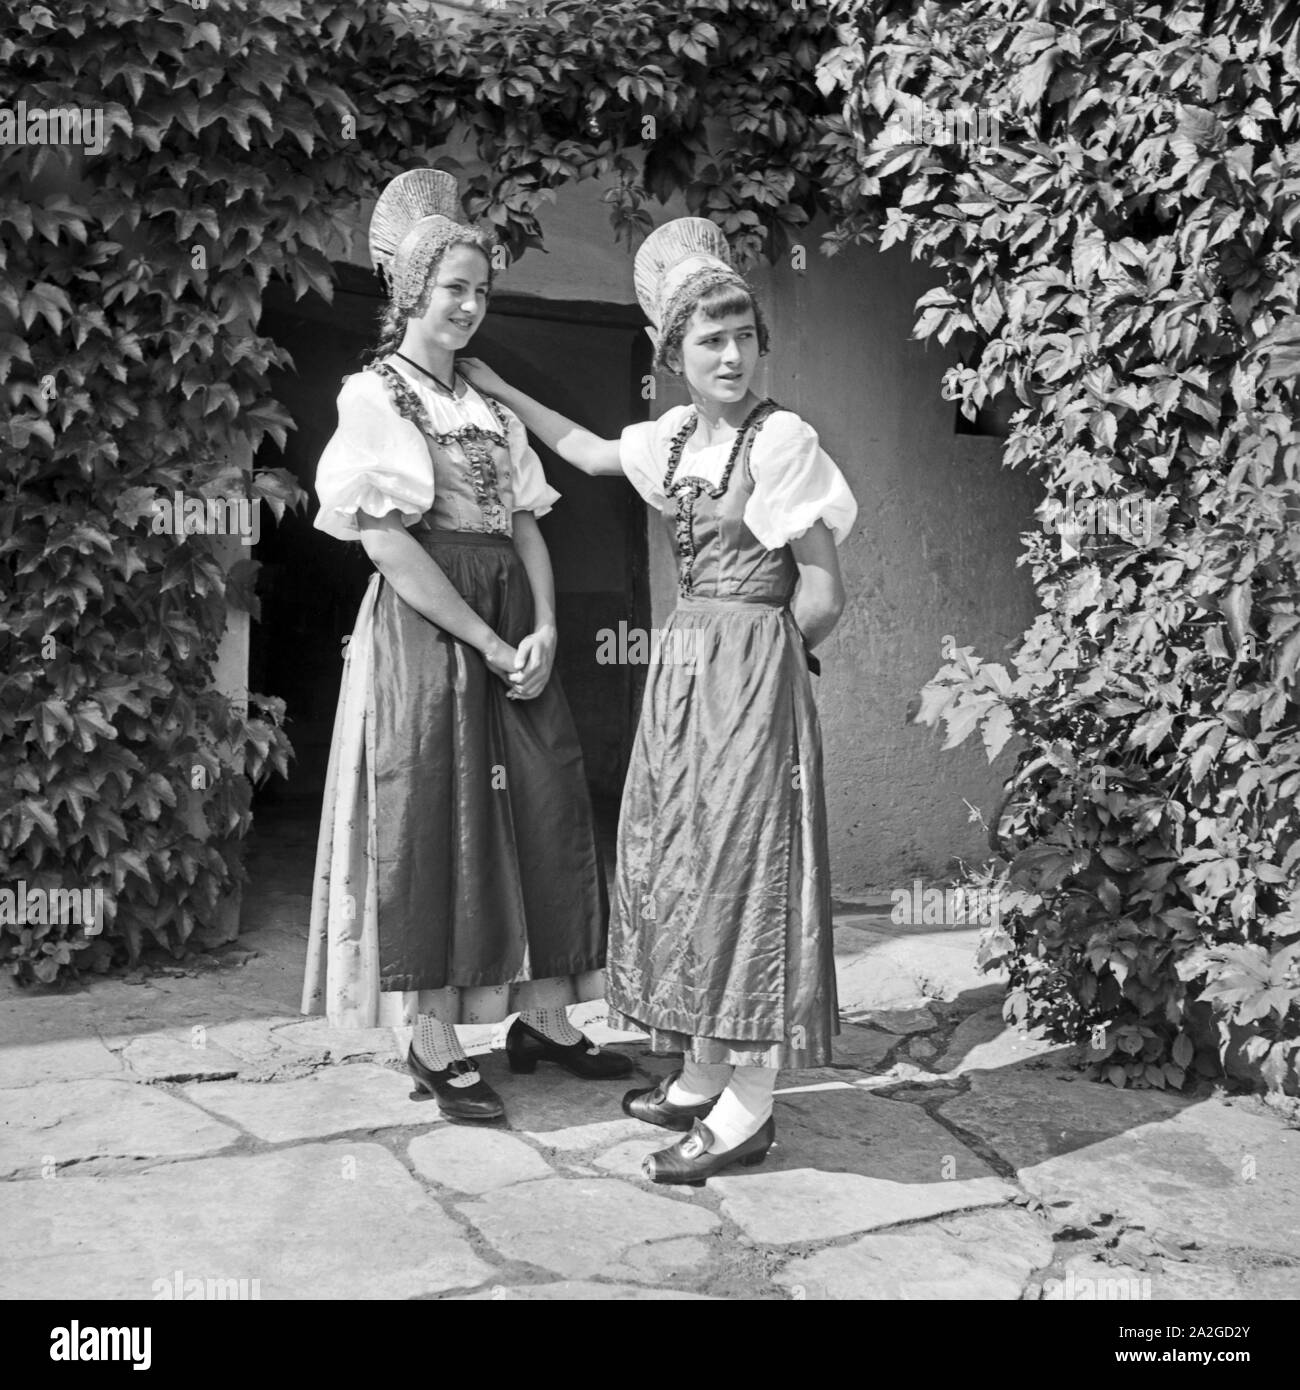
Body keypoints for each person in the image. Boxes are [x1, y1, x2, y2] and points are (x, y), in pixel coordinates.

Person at [459, 216, 856, 1181]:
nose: (730, 356)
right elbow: (589, 451)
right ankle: (702, 1068)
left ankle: (750, 1108)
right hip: (684, 681)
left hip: (748, 679)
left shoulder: (783, 439)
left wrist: (760, 678)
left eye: (743, 337)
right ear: (673, 358)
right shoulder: (678, 436)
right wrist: (497, 386)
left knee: (744, 873)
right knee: (680, 863)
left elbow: (823, 591)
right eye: (708, 342)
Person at [300, 168, 631, 1125]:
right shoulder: (374, 397)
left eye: (481, 290)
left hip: (511, 619)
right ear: (410, 293)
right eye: (454, 288)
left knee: (546, 796)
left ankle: (545, 1016)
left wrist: (550, 628)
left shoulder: (487, 408)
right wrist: (487, 637)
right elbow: (386, 539)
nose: (471, 305)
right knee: (437, 810)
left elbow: (529, 523)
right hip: (432, 628)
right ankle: (429, 1031)